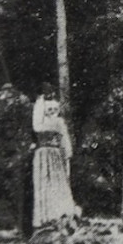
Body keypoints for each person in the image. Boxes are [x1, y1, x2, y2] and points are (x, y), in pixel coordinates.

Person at [30, 86, 79, 227]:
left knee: (56, 184)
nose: (52, 113)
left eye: (54, 110)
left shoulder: (58, 122)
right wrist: (40, 101)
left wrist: (67, 156)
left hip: (54, 154)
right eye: (49, 110)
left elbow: (65, 141)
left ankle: (59, 215)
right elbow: (36, 126)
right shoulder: (41, 123)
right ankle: (45, 217)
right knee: (43, 184)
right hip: (42, 155)